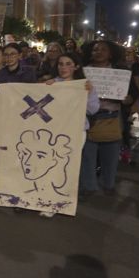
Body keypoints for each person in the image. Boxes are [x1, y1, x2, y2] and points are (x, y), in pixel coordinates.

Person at [42, 52, 100, 218]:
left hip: (76, 131)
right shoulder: (52, 83)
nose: (64, 67)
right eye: (61, 64)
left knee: (67, 166)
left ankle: (61, 202)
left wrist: (87, 94)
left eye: (68, 63)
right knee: (50, 165)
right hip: (54, 130)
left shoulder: (84, 85)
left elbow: (93, 109)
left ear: (76, 66)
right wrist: (47, 88)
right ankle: (48, 200)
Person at [79, 40, 135, 197]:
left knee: (110, 156)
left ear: (111, 53)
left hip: (111, 118)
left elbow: (132, 95)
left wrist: (127, 99)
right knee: (87, 157)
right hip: (89, 119)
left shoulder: (120, 72)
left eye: (103, 49)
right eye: (96, 49)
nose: (99, 52)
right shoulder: (83, 72)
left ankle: (108, 184)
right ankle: (89, 186)